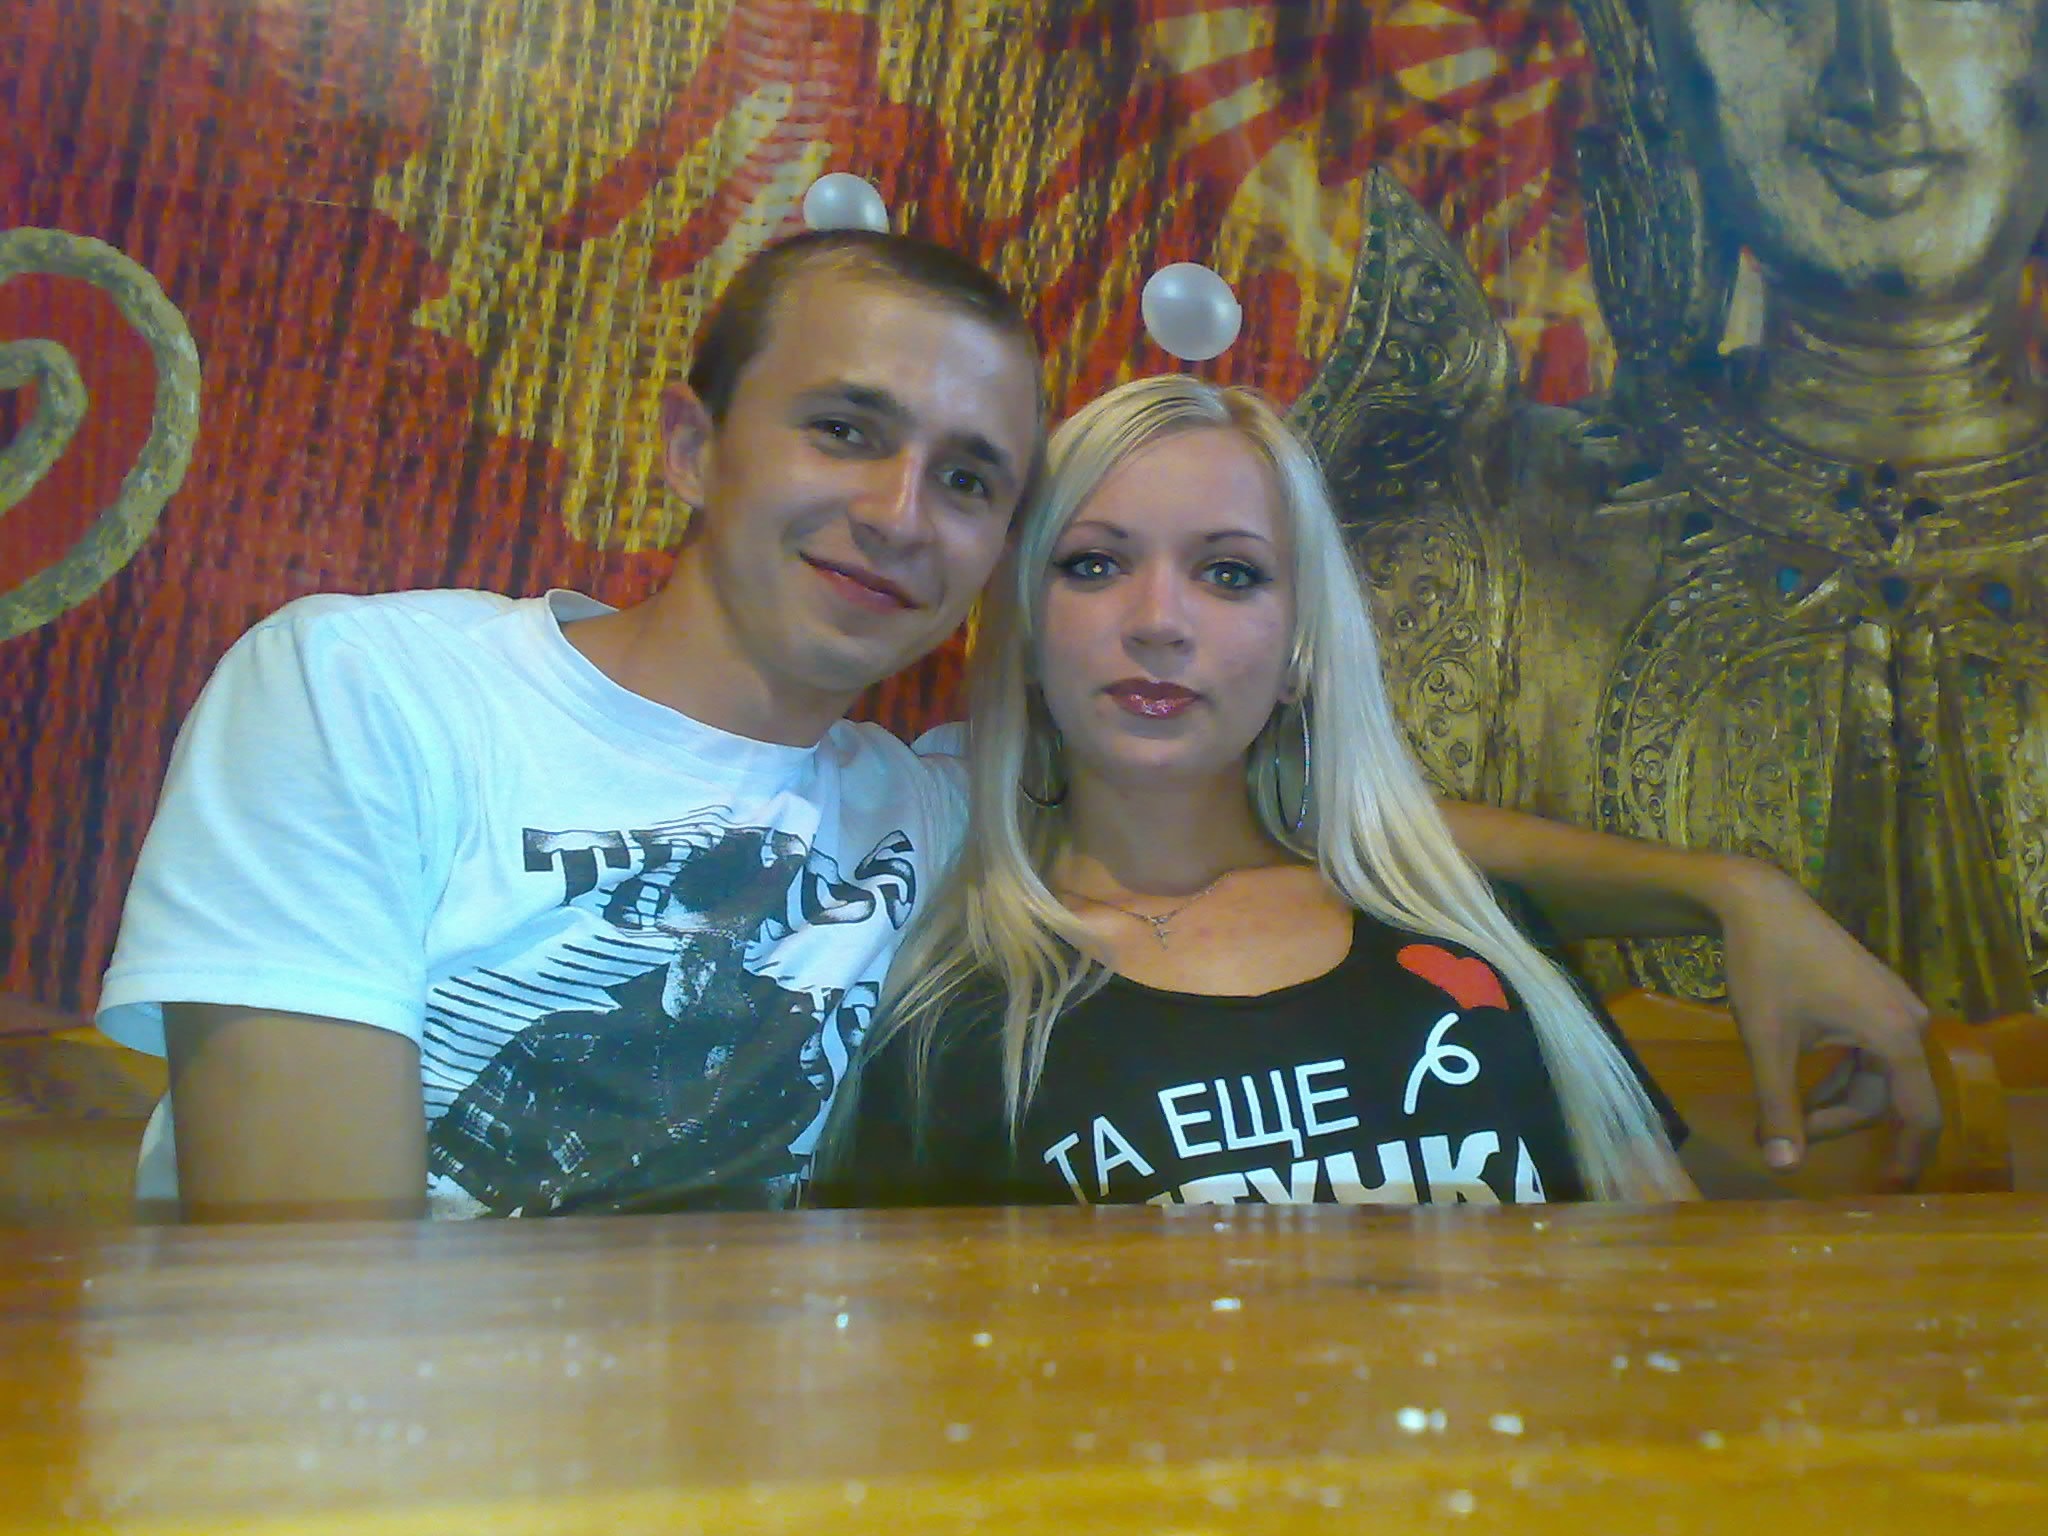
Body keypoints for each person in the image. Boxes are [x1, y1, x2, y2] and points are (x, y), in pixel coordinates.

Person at [98, 230, 1932, 1224]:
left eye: (969, 477)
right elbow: (306, 1305)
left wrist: (1726, 888)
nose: (899, 513)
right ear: (688, 447)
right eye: (843, 430)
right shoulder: (369, 690)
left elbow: (1311, 818)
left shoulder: (930, 816)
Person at [821, 376, 1699, 1207]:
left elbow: (1667, 1270)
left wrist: (1734, 892)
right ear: (1025, 635)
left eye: (1230, 574)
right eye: (1093, 564)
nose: (1159, 622)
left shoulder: (1471, 925)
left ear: (1298, 653)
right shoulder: (950, 1018)